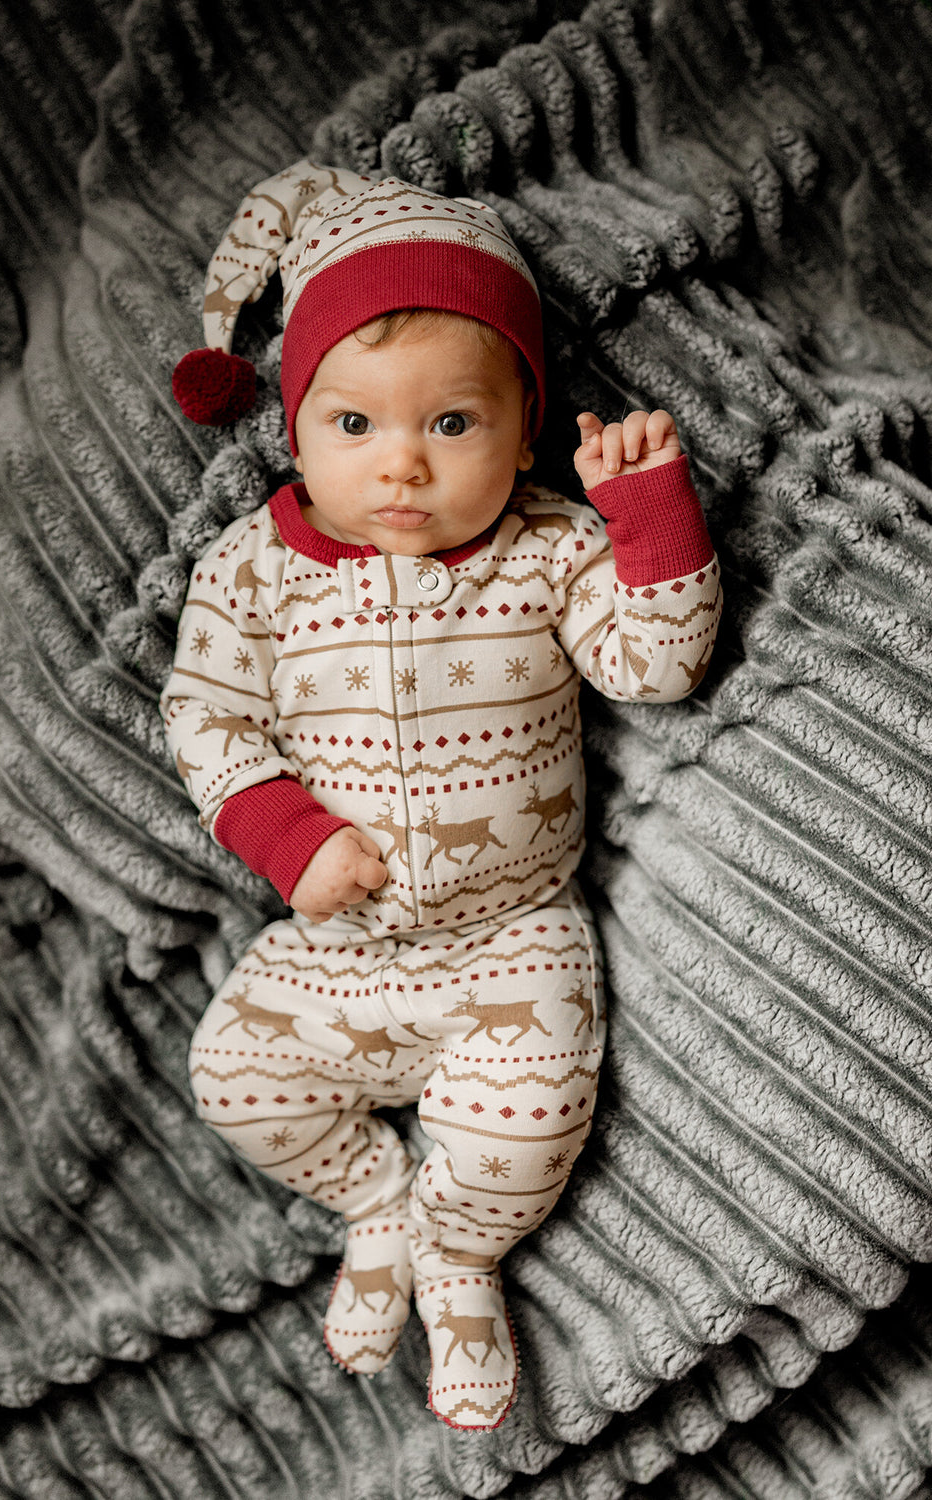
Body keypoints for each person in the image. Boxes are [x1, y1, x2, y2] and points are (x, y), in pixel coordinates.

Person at [164, 160, 722, 1430]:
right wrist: (283, 834)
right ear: (295, 429)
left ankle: (457, 1256)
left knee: (524, 1121)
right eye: (354, 426)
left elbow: (658, 660)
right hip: (338, 943)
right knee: (236, 1077)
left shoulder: (549, 548)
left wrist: (646, 512)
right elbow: (206, 712)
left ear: (524, 428)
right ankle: (375, 1205)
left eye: (451, 425)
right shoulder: (252, 571)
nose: (402, 467)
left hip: (509, 943)